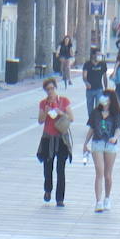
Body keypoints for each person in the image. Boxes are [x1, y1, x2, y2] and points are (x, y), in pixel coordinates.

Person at [35, 77, 74, 206]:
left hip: (61, 137)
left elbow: (72, 118)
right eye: (48, 90)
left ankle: (60, 198)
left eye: (52, 88)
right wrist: (46, 113)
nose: (50, 91)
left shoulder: (63, 101)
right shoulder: (43, 103)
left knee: (61, 169)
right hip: (48, 137)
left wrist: (61, 112)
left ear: (55, 88)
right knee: (48, 167)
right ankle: (47, 190)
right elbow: (40, 121)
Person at [84, 86, 120, 212]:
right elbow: (92, 128)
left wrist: (115, 137)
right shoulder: (96, 113)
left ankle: (107, 198)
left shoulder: (115, 113)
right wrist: (85, 143)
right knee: (99, 172)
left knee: (108, 174)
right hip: (97, 143)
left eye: (106, 98)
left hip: (110, 144)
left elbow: (117, 128)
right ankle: (98, 201)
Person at [81, 47, 108, 121]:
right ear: (93, 55)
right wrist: (86, 82)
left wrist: (106, 88)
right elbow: (84, 76)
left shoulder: (103, 64)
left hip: (99, 88)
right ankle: (91, 122)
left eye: (100, 55)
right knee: (90, 108)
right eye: (97, 55)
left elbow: (105, 76)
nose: (99, 57)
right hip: (89, 90)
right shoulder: (87, 64)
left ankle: (97, 123)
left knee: (99, 107)